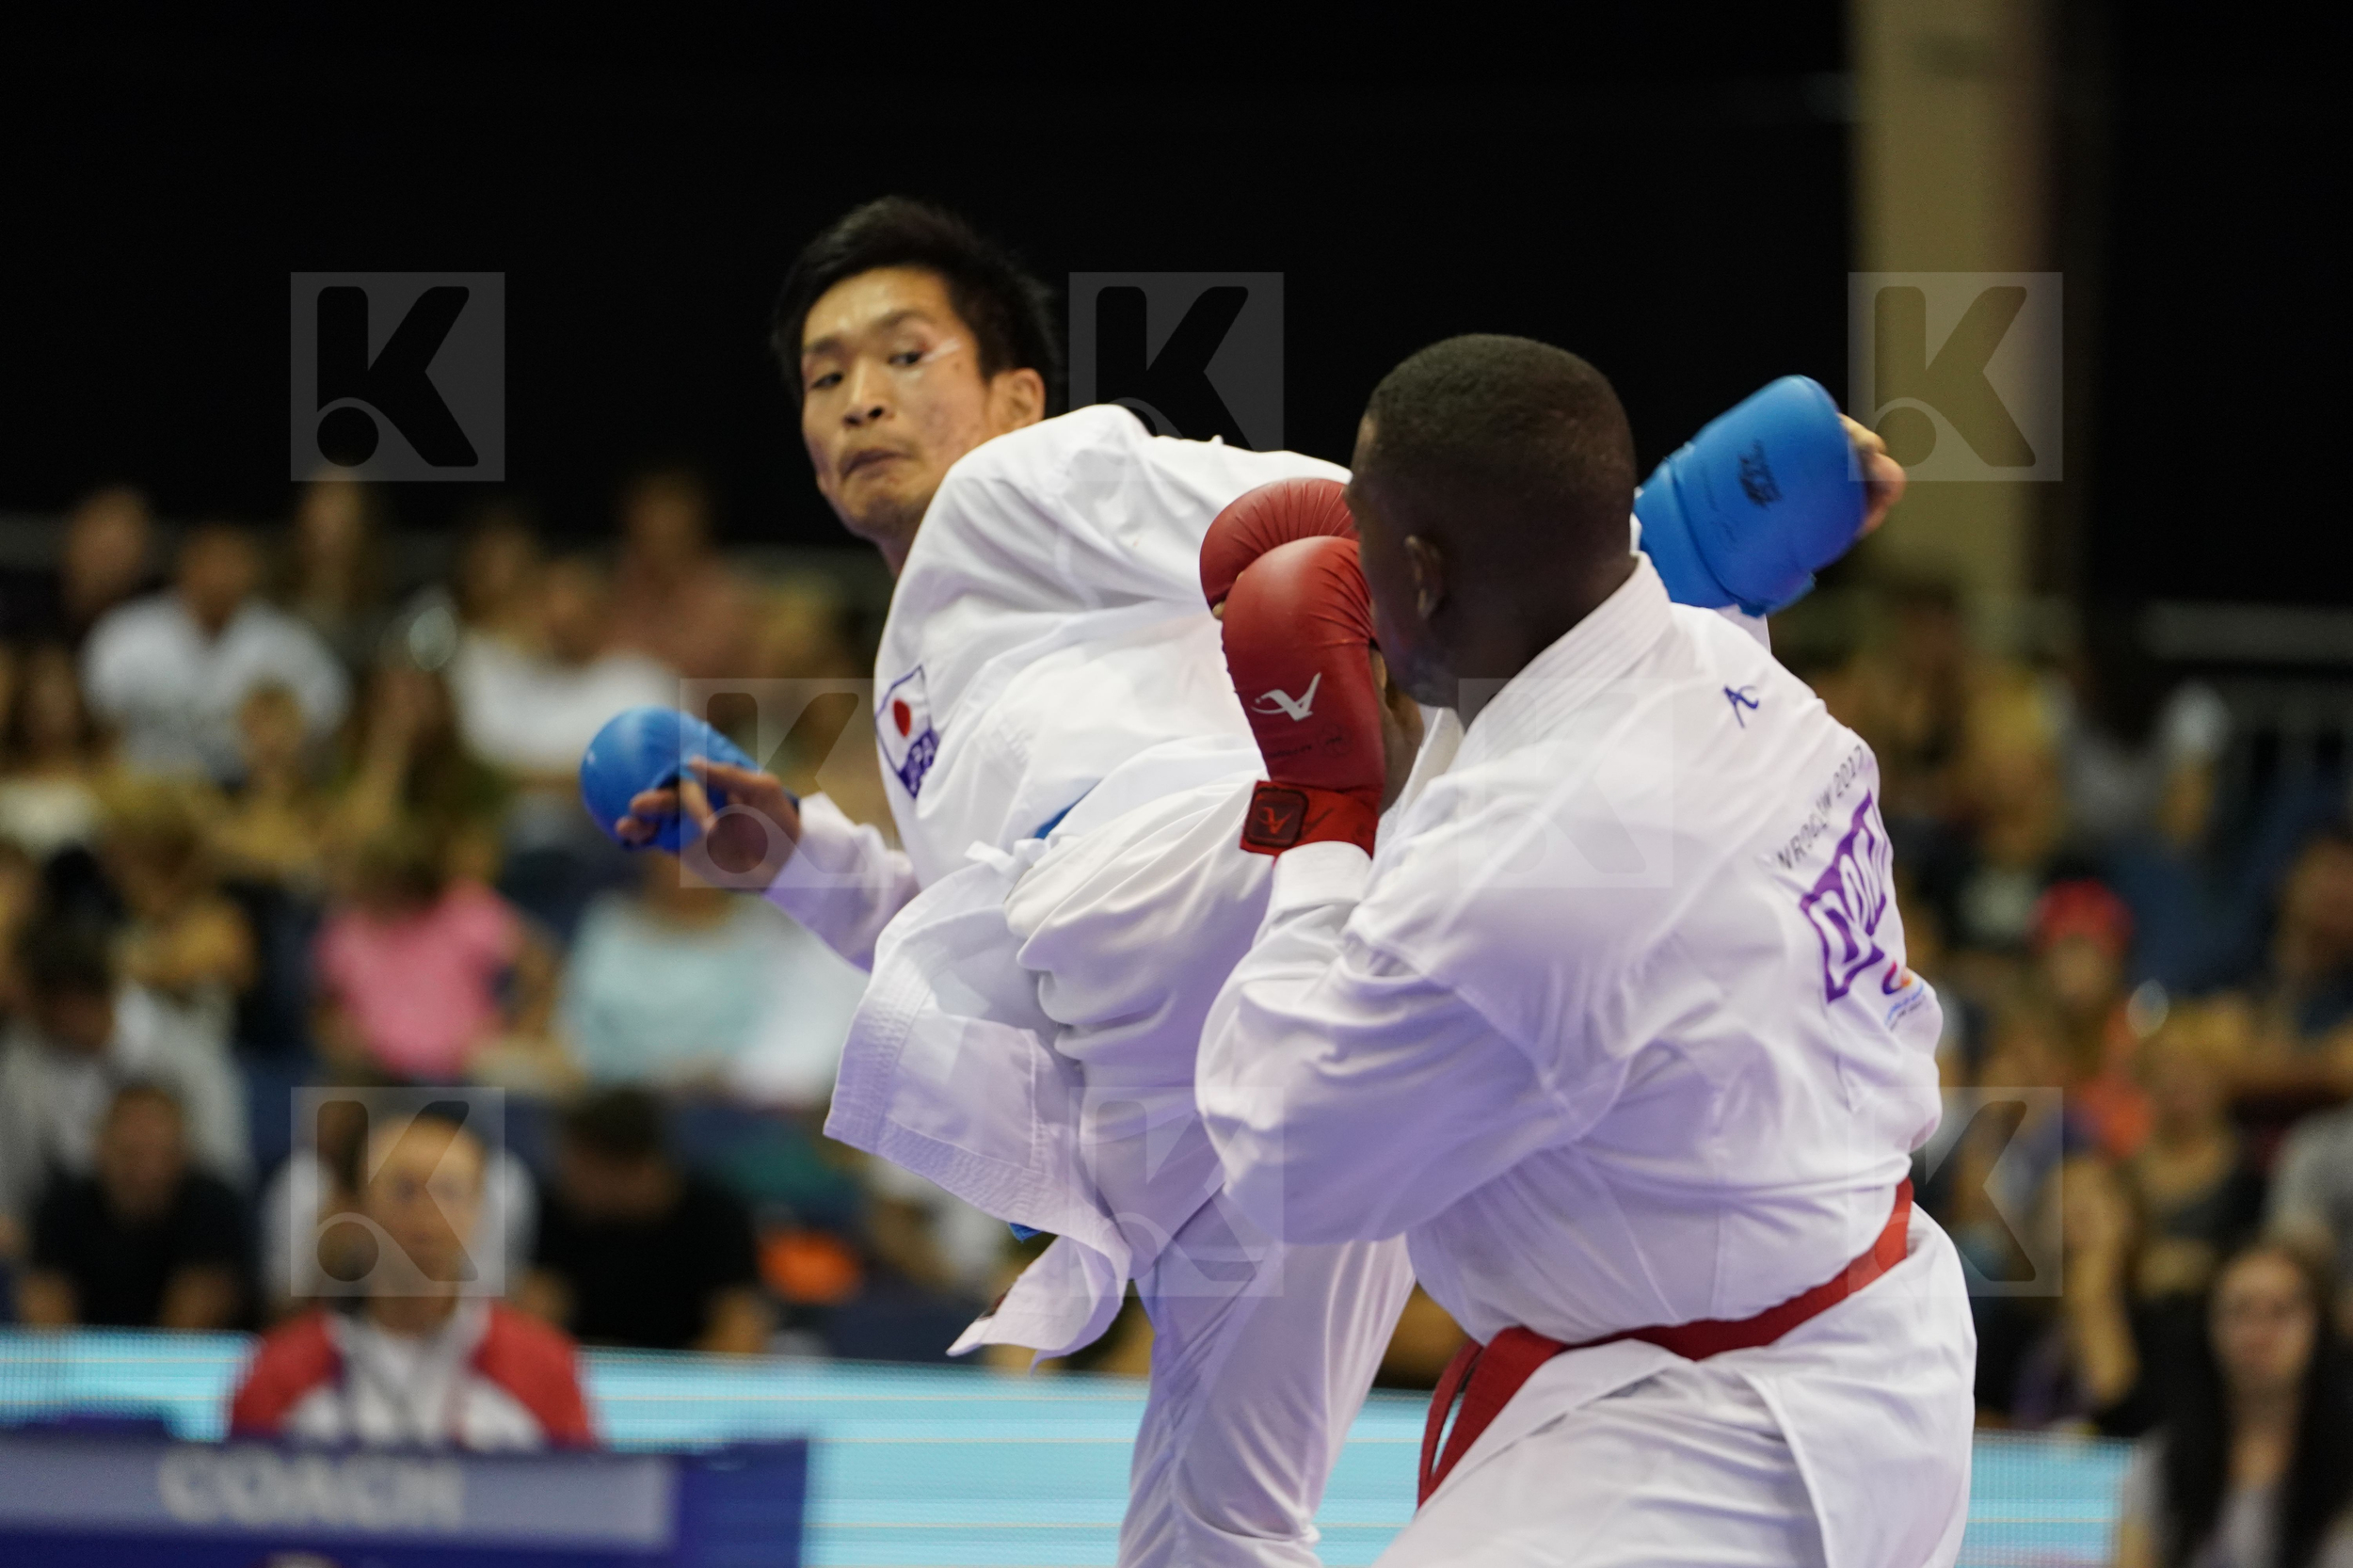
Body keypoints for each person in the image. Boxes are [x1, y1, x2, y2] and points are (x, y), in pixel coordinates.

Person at [610, 199, 1908, 1567]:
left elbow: (1345, 522)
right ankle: (1574, 665)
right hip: (1249, 1108)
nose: (860, 398)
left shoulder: (1022, 486)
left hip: (1216, 874)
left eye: (903, 355)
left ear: (1017, 395)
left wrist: (1592, 546)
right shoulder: (913, 692)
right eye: (826, 377)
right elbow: (968, 973)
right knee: (1205, 1534)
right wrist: (798, 860)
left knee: (1181, 818)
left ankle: (1627, 574)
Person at [1193, 335, 1974, 1565]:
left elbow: (1284, 1152)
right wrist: (1712, 522)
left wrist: (1322, 807)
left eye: (1366, 530)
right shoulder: (1714, 652)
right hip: (1855, 1330)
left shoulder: (1524, 874)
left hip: (1715, 1442)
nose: (1346, 561)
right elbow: (1597, 674)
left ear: (1426, 571)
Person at [230, 1105, 594, 1449]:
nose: (427, 1212)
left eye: (449, 1191)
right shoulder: (279, 1372)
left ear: (479, 1209)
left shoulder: (545, 1371)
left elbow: (586, 1503)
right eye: (404, 1190)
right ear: (356, 1206)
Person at [2112, 1242, 2353, 1567]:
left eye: (2280, 1311)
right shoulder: (2162, 1463)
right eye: (2239, 1311)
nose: (2258, 1334)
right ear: (2208, 1326)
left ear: (2320, 1328)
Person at [0, 922, 248, 1235]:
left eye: (35, 1012)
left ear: (72, 1004)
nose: (25, 1021)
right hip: (71, 1240)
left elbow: (225, 1170)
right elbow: (11, 1191)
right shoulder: (22, 1060)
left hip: (176, 1231)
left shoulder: (190, 1055)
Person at [557, 850, 865, 1099]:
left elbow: (791, 1039)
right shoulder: (607, 923)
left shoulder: (764, 927)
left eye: (703, 843)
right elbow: (573, 1032)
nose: (688, 859)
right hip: (615, 1109)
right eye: (674, 845)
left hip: (733, 1115)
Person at [80, 522, 348, 783]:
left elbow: (328, 722)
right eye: (208, 562)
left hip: (249, 796)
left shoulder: (289, 645)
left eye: (231, 563)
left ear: (253, 569)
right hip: (149, 796)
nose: (218, 577)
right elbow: (97, 731)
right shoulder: (126, 635)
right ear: (184, 566)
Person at [519, 1088, 769, 1353]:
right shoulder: (552, 1210)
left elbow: (739, 1338)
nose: (564, 1175)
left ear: (633, 1168)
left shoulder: (717, 1217)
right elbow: (529, 1326)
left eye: (577, 1165)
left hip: (679, 1384)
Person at [312, 820, 554, 1083]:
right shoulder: (347, 926)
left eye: (394, 883)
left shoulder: (463, 908)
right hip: (377, 1077)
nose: (385, 895)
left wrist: (517, 1030)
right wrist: (341, 1041)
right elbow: (324, 1007)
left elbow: (542, 969)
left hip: (468, 1071)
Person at [19, 1080, 249, 1329]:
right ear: (100, 1148)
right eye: (131, 1154)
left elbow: (189, 1335)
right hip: (85, 1362)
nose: (146, 1173)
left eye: (159, 1153)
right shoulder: (62, 1206)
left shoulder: (214, 1206)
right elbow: (47, 1328)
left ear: (185, 1152)